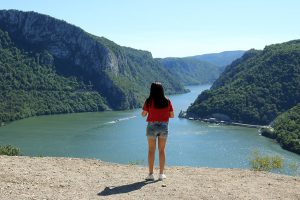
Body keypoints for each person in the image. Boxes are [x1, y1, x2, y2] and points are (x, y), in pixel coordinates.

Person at [141, 82, 174, 181]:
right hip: (163, 126)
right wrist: (162, 116)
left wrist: (150, 112)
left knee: (151, 150)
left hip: (151, 126)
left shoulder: (149, 101)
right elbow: (172, 115)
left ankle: (151, 174)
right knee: (162, 150)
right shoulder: (167, 101)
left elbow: (143, 114)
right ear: (162, 90)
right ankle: (161, 174)